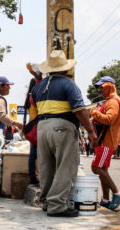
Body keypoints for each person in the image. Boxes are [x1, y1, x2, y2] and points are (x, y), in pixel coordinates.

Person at [29, 50, 96, 217]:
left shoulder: (38, 87)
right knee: (65, 166)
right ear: (65, 69)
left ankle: (46, 201)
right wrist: (91, 132)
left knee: (46, 166)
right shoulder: (68, 84)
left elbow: (37, 108)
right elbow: (80, 110)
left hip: (42, 127)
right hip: (62, 126)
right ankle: (57, 204)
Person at [90, 76, 120, 211]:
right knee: (102, 169)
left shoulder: (113, 102)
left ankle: (117, 193)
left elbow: (109, 119)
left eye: (102, 87)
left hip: (107, 140)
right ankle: (105, 199)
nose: (100, 90)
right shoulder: (110, 101)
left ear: (109, 86)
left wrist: (94, 112)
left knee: (96, 168)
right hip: (104, 140)